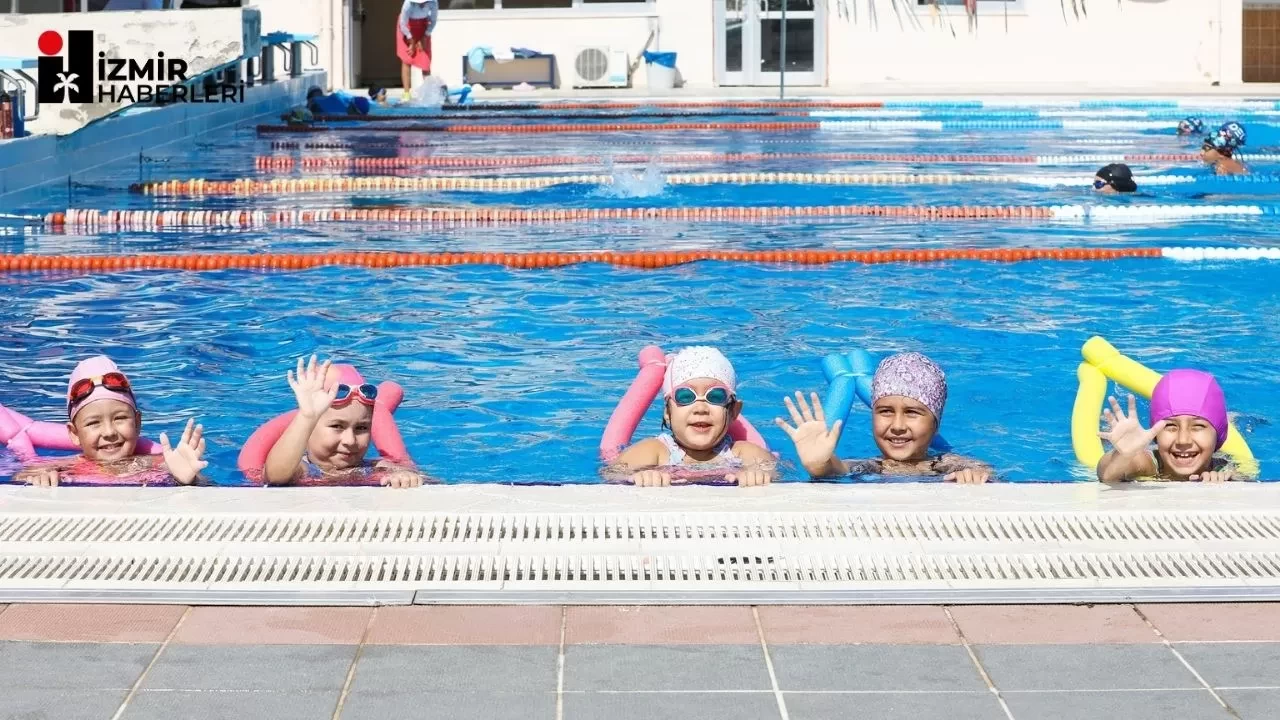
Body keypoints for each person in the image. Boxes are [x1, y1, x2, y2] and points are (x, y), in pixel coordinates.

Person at [776, 352, 993, 483]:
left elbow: (983, 470)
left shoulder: (948, 465)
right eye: (886, 411)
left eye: (912, 412)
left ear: (935, 424)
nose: (897, 426)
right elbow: (837, 469)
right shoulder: (869, 467)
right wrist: (818, 464)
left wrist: (974, 476)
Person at [12, 356, 208, 487]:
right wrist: (36, 478)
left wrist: (189, 480)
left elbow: (206, 488)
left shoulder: (157, 464)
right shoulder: (65, 467)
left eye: (120, 418)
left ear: (137, 422)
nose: (109, 432)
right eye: (93, 423)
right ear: (74, 433)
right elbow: (19, 478)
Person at [608, 346, 775, 487]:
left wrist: (757, 475)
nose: (700, 408)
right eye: (685, 396)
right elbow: (611, 474)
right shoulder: (654, 451)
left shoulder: (744, 453)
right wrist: (640, 476)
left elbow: (776, 473)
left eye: (715, 396)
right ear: (667, 412)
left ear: (733, 411)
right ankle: (654, 367)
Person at [260, 356, 426, 488]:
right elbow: (275, 476)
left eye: (361, 428)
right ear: (308, 431)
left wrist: (405, 476)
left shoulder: (375, 468)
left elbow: (423, 479)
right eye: (337, 426)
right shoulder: (304, 469)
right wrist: (307, 417)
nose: (350, 441)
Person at [1096, 370, 1244, 482]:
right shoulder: (1149, 464)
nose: (1183, 440)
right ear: (1156, 434)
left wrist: (1227, 481)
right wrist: (1124, 455)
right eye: (1171, 426)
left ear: (1218, 434)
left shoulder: (1225, 468)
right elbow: (1107, 475)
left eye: (1198, 426)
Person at [397, 0, 438, 102]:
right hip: (407, 27)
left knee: (425, 62)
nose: (422, 4)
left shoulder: (433, 2)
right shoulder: (408, 3)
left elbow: (433, 21)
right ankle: (406, 93)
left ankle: (428, 93)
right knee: (407, 59)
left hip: (423, 27)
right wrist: (411, 40)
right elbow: (402, 23)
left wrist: (425, 36)